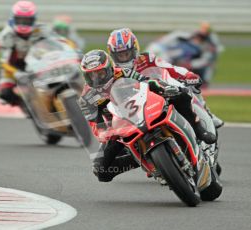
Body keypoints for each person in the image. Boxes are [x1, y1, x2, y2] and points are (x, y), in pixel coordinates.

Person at [79, 48, 217, 182]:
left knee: (183, 94)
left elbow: (146, 81)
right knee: (101, 172)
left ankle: (199, 130)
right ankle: (139, 159)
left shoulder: (123, 73)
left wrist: (163, 88)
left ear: (109, 68)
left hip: (143, 109)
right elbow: (95, 126)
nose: (96, 79)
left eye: (100, 73)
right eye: (91, 75)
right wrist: (105, 134)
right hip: (118, 128)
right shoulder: (86, 99)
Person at [108, 28, 224, 128]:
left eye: (126, 54)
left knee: (188, 91)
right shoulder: (112, 73)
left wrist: (187, 75)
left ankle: (206, 114)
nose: (124, 58)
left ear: (134, 49)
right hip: (132, 112)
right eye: (120, 55)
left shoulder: (147, 59)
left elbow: (170, 68)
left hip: (158, 98)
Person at [0, 1, 51, 114]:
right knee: (4, 94)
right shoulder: (6, 35)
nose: (23, 23)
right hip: (13, 66)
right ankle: (23, 105)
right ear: (13, 18)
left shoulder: (42, 29)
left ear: (33, 19)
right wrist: (16, 73)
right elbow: (4, 61)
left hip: (39, 63)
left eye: (27, 20)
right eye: (20, 20)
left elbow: (59, 42)